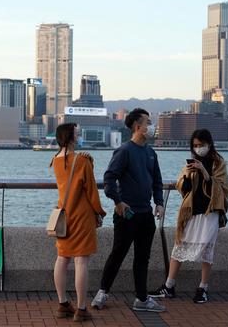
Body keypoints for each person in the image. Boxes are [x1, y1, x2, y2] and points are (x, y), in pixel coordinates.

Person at [91, 108, 166, 313]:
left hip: (146, 215)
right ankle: (102, 292)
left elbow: (157, 182)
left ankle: (142, 299)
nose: (151, 126)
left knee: (143, 258)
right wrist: (117, 201)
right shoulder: (124, 151)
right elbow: (109, 178)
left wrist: (159, 203)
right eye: (148, 123)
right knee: (118, 253)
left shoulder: (151, 153)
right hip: (126, 214)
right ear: (137, 126)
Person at [149, 128, 228, 304]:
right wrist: (186, 176)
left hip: (210, 213)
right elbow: (182, 187)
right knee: (179, 247)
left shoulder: (218, 163)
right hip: (191, 212)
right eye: (195, 145)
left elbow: (223, 188)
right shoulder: (191, 162)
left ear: (209, 144)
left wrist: (204, 171)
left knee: (206, 250)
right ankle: (169, 286)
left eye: (201, 145)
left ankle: (203, 288)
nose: (198, 148)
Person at [50, 123, 107, 322]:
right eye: (77, 132)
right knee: (81, 261)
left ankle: (63, 303)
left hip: (63, 217)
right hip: (82, 217)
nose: (79, 135)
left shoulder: (54, 160)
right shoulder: (82, 161)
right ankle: (81, 309)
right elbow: (91, 191)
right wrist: (99, 212)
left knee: (62, 258)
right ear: (71, 137)